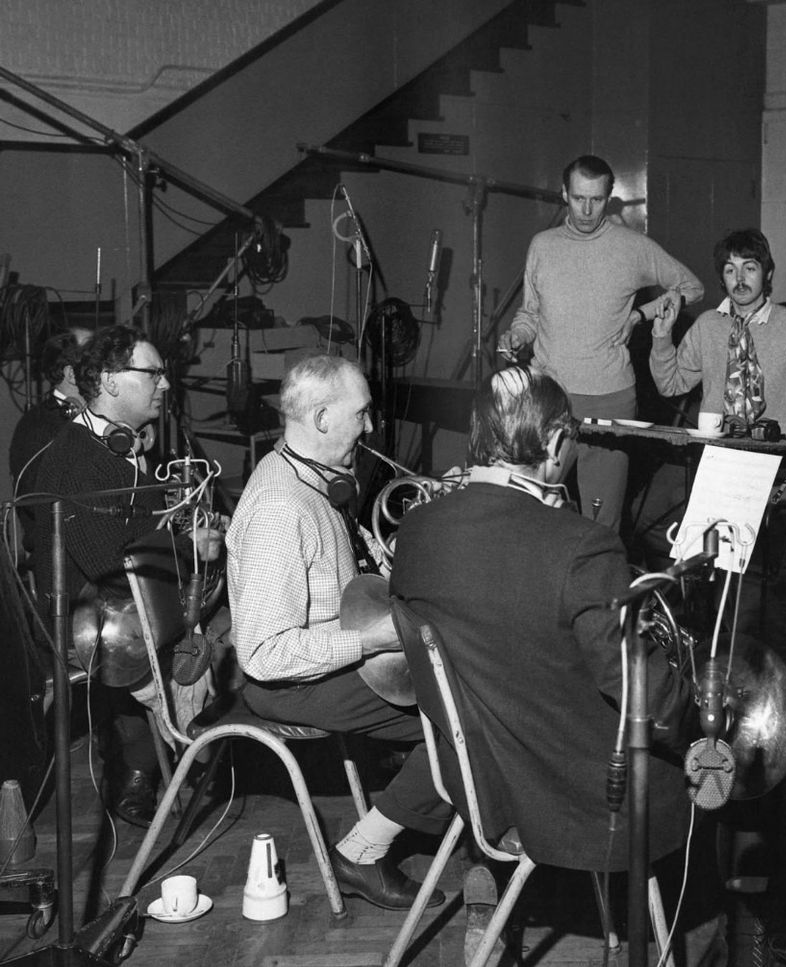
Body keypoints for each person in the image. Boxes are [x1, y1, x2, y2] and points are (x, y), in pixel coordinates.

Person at [389, 369, 726, 964]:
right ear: (553, 445)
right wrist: (703, 716)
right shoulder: (582, 546)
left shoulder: (417, 529)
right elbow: (644, 695)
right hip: (581, 804)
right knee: (723, 769)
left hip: (476, 785)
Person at [225, 353, 452, 910]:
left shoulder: (314, 476)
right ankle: (363, 851)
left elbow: (341, 586)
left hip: (328, 659)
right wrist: (374, 640)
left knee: (467, 686)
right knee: (467, 713)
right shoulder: (282, 505)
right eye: (363, 414)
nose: (372, 427)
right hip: (291, 682)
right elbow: (262, 653)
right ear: (323, 419)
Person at [32, 325, 221, 826]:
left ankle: (201, 738)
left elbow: (136, 530)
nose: (165, 384)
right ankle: (203, 738)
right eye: (153, 373)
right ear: (111, 381)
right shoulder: (77, 459)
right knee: (227, 637)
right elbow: (108, 565)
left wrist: (186, 534)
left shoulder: (121, 449)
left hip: (134, 603)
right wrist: (189, 548)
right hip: (101, 623)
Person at [498, 154, 704, 532]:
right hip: (548, 398)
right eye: (579, 199)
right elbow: (530, 314)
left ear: (609, 197)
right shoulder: (542, 245)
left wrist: (641, 314)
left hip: (609, 399)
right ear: (564, 194)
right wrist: (517, 335)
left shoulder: (631, 246)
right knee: (530, 512)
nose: (587, 210)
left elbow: (692, 286)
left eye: (596, 199)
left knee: (600, 525)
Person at [648, 227, 786, 441]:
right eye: (730, 270)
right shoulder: (707, 325)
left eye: (749, 268)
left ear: (767, 273)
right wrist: (662, 336)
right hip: (718, 454)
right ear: (722, 279)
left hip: (778, 457)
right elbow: (669, 385)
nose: (739, 278)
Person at [9, 327, 92, 556]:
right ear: (72, 374)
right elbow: (43, 504)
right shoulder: (36, 426)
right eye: (94, 358)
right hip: (61, 555)